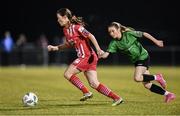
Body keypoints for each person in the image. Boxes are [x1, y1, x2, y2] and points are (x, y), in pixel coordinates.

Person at [47, 8, 123, 106]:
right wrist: (55, 48)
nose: (58, 20)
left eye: (59, 18)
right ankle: (117, 98)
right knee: (94, 84)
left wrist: (98, 49)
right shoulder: (66, 30)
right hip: (87, 57)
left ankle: (86, 92)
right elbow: (69, 44)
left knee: (68, 74)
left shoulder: (77, 27)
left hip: (87, 56)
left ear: (65, 17)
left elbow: (91, 36)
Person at [99, 22, 176, 103]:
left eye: (113, 31)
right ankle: (169, 94)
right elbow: (106, 55)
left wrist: (156, 41)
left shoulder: (128, 34)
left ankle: (157, 77)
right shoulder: (113, 43)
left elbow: (144, 34)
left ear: (119, 29)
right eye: (109, 32)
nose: (111, 33)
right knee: (147, 85)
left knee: (137, 78)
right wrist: (100, 55)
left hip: (143, 57)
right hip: (136, 61)